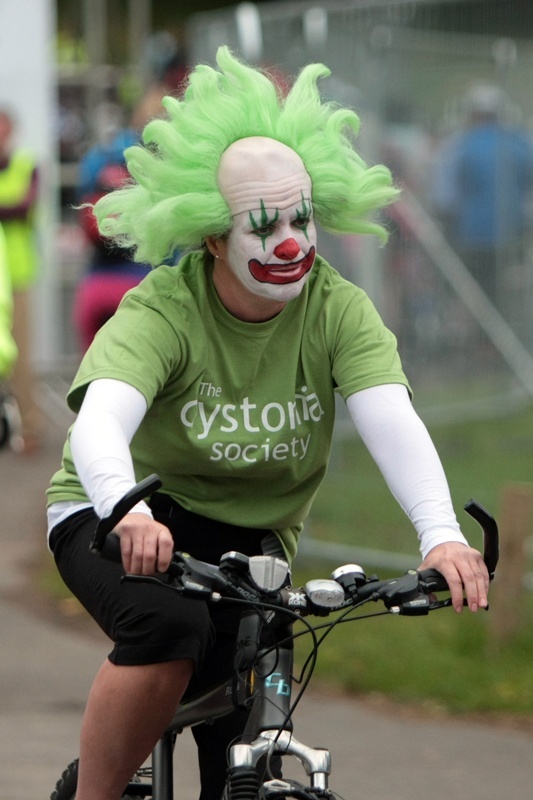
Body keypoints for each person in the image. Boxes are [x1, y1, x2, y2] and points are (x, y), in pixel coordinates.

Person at [47, 47, 489, 800]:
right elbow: (100, 420)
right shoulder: (166, 307)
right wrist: (127, 508)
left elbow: (390, 417)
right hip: (118, 510)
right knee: (168, 634)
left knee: (247, 728)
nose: (290, 243)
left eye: (300, 217)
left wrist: (440, 532)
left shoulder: (335, 308)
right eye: (262, 225)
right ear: (214, 234)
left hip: (254, 542)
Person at [432, 84, 533, 307]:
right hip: (512, 234)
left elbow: (445, 197)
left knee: (475, 298)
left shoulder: (460, 145)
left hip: (472, 236)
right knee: (506, 296)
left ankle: (477, 339)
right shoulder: (519, 143)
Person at [0, 107, 41, 452]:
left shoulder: (27, 165)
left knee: (20, 355)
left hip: (17, 273)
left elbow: (23, 207)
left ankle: (29, 428)